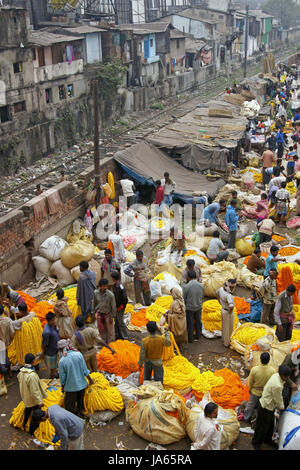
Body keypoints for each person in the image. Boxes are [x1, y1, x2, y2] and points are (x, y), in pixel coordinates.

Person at [252, 364, 292, 450]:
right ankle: (256, 443)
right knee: (261, 427)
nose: (288, 378)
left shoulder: (276, 375)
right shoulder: (277, 385)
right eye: (287, 376)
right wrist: (282, 407)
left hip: (269, 405)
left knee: (270, 425)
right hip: (265, 407)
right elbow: (278, 398)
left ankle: (267, 440)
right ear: (283, 376)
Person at [58, 339, 93, 418]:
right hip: (81, 384)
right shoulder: (78, 354)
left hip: (70, 387)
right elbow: (84, 369)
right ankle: (81, 413)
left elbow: (62, 377)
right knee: (80, 401)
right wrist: (90, 379)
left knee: (70, 404)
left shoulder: (62, 361)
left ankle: (72, 417)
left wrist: (63, 386)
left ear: (61, 349)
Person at [17, 353, 47, 435]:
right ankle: (32, 430)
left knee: (27, 411)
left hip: (25, 397)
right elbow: (35, 391)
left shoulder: (21, 372)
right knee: (36, 415)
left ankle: (24, 424)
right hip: (33, 400)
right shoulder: (32, 376)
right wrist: (39, 402)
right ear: (33, 361)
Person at [243, 352, 276, 423]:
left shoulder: (254, 369)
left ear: (260, 359)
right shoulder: (272, 371)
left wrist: (250, 389)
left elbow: (250, 382)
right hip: (265, 393)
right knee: (261, 408)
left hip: (255, 391)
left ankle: (246, 418)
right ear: (269, 360)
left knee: (250, 406)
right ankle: (257, 421)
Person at [92, 278, 116, 344]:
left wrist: (112, 316)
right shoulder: (95, 293)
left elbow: (113, 306)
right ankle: (104, 343)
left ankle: (111, 344)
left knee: (110, 331)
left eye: (106, 286)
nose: (105, 287)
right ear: (100, 286)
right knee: (101, 330)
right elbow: (93, 303)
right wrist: (93, 313)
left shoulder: (110, 295)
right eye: (103, 286)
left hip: (108, 314)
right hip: (99, 314)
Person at [183, 270, 204, 343]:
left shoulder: (186, 287)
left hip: (189, 308)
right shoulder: (201, 285)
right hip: (198, 306)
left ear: (188, 277)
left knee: (190, 323)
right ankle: (198, 335)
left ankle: (190, 338)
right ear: (196, 276)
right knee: (198, 321)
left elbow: (184, 298)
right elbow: (202, 296)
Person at [216, 279, 236, 348]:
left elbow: (217, 293)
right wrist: (230, 312)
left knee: (224, 326)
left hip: (223, 309)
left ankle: (223, 339)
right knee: (228, 328)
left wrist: (219, 302)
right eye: (232, 287)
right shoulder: (228, 295)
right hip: (227, 312)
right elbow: (231, 305)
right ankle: (227, 343)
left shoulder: (221, 289)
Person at [111, 270, 129, 340]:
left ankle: (125, 336)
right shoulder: (114, 285)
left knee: (120, 322)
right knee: (116, 320)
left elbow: (125, 298)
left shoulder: (121, 287)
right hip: (116, 306)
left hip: (121, 307)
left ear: (114, 278)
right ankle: (117, 334)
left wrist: (122, 306)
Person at [42, 312, 59, 379]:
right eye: (52, 320)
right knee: (52, 368)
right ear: (48, 321)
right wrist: (43, 353)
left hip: (55, 349)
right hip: (50, 352)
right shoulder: (47, 332)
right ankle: (51, 378)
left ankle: (55, 373)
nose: (54, 321)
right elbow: (44, 344)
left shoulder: (53, 325)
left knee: (55, 366)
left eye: (54, 319)